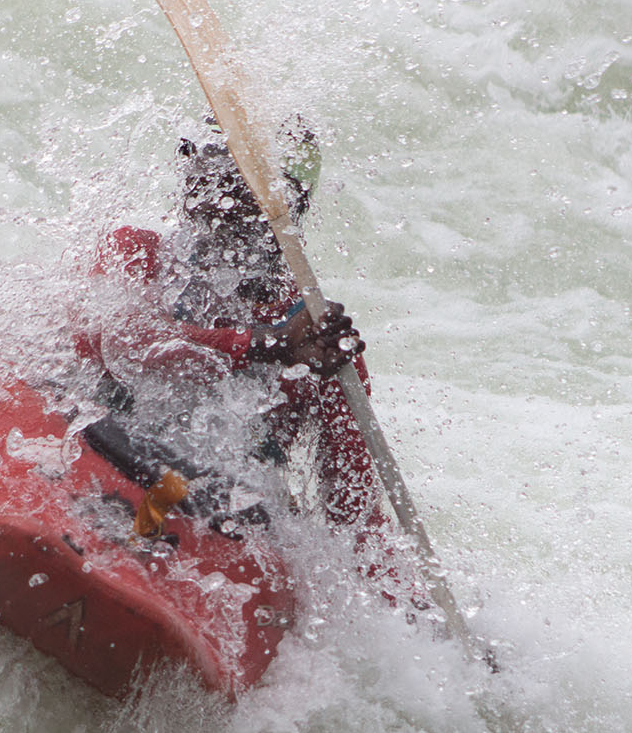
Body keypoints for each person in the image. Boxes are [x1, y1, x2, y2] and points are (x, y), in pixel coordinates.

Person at [72, 125, 407, 590]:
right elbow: (125, 341)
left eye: (236, 188)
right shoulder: (138, 254)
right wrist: (267, 344)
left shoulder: (324, 350)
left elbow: (353, 523)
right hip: (99, 451)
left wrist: (414, 619)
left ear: (285, 211)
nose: (211, 204)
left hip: (222, 519)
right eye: (202, 179)